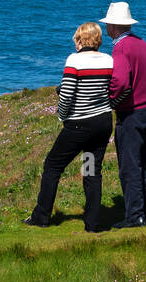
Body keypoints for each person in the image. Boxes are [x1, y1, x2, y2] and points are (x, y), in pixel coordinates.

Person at [25, 22, 114, 233]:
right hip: (102, 122)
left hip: (78, 125)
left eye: (77, 39)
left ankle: (41, 216)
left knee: (53, 166)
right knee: (91, 170)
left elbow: (66, 94)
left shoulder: (75, 60)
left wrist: (62, 116)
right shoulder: (109, 60)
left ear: (81, 40)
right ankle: (92, 224)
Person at [101, 1, 146, 228]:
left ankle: (135, 216)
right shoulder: (142, 44)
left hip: (133, 112)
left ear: (114, 26)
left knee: (129, 165)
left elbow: (121, 82)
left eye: (108, 25)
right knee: (142, 162)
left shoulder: (121, 48)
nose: (106, 29)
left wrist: (111, 101)